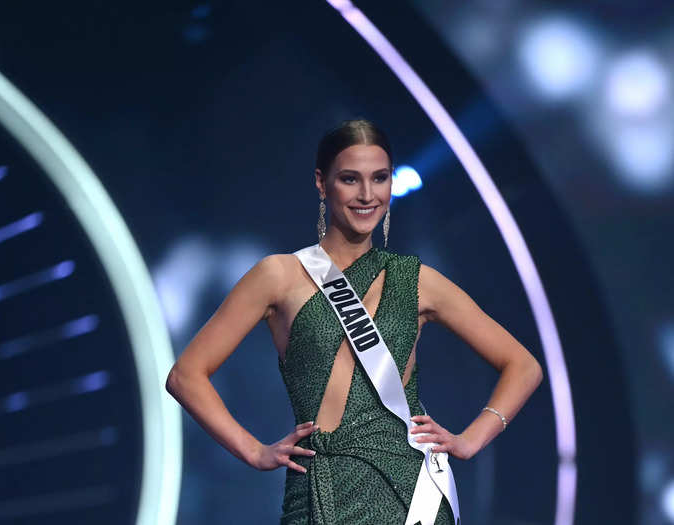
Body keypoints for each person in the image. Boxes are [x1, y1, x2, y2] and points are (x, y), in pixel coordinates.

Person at [165, 118, 544, 524]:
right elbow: (186, 376)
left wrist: (471, 440)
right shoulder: (279, 276)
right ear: (321, 183)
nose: (367, 195)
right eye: (350, 179)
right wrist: (255, 451)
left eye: (379, 178)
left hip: (410, 492)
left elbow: (523, 366)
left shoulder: (416, 281)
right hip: (318, 488)